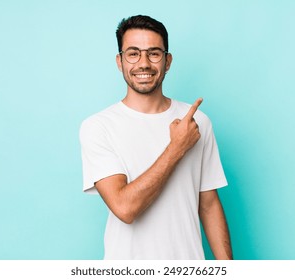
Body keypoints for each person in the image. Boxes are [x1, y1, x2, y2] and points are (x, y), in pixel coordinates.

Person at [79, 15, 232, 260]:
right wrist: (177, 147)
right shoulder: (98, 127)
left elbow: (209, 203)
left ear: (167, 61)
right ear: (119, 61)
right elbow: (125, 208)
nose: (144, 63)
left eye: (153, 53)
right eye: (133, 53)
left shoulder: (197, 122)